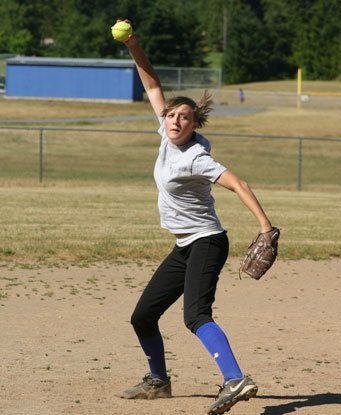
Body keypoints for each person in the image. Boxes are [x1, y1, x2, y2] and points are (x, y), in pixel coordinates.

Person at [117, 28, 275, 415]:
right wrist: (133, 45)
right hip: (185, 244)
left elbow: (238, 183)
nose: (174, 120)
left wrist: (266, 228)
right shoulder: (164, 134)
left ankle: (236, 380)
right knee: (143, 316)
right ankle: (158, 380)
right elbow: (152, 83)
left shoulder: (196, 158)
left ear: (193, 125)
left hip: (207, 241)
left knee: (195, 315)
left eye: (184, 117)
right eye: (171, 114)